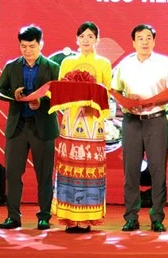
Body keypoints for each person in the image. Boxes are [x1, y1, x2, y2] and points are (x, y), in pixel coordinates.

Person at [111, 24, 168, 232]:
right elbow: (116, 91)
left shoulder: (165, 63)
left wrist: (151, 102)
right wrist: (126, 101)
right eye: (140, 38)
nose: (145, 42)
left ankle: (157, 217)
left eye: (149, 38)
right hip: (132, 121)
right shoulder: (125, 65)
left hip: (156, 120)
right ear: (133, 42)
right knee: (131, 171)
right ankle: (131, 216)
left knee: (158, 170)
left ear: (154, 41)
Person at [0, 25, 60, 230]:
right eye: (23, 46)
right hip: (17, 126)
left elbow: (59, 94)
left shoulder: (52, 67)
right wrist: (13, 94)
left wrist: (42, 101)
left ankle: (44, 216)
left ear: (40, 44)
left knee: (44, 175)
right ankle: (13, 216)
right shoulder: (12, 66)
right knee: (13, 174)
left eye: (31, 46)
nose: (27, 50)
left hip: (43, 127)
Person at [54, 22, 113, 233]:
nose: (86, 39)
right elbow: (61, 89)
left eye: (91, 36)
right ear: (77, 39)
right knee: (70, 165)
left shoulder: (104, 63)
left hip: (93, 121)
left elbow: (107, 92)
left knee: (90, 166)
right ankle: (70, 217)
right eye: (83, 36)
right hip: (71, 120)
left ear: (97, 39)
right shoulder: (68, 62)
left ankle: (88, 217)